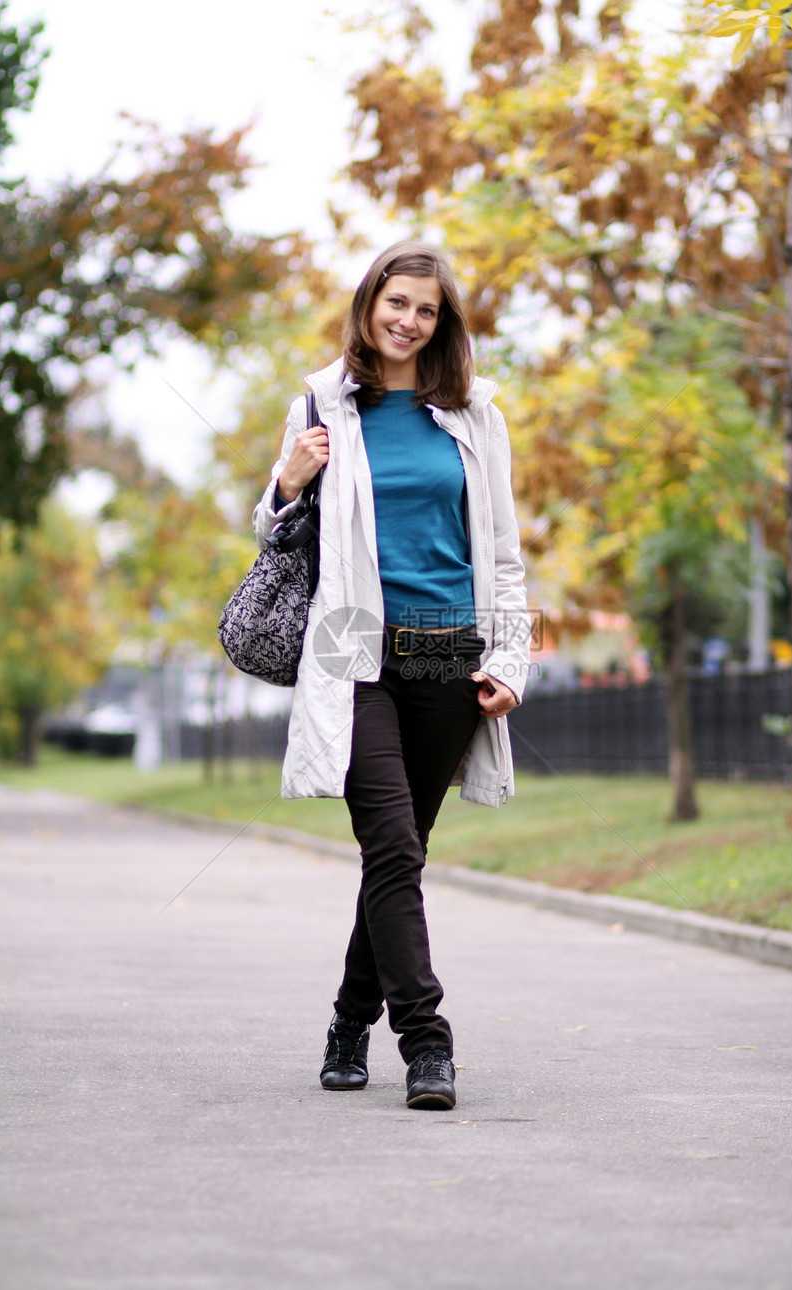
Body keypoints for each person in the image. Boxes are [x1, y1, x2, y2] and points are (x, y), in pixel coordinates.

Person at [253, 241, 530, 1110]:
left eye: (427, 310)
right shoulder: (323, 401)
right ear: (370, 302)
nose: (408, 320)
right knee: (394, 848)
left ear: (442, 324)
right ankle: (426, 1041)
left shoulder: (476, 414)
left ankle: (346, 1022)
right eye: (396, 302)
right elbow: (277, 540)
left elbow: (505, 556)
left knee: (396, 860)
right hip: (354, 649)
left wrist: (511, 661)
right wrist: (285, 484)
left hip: (451, 655)